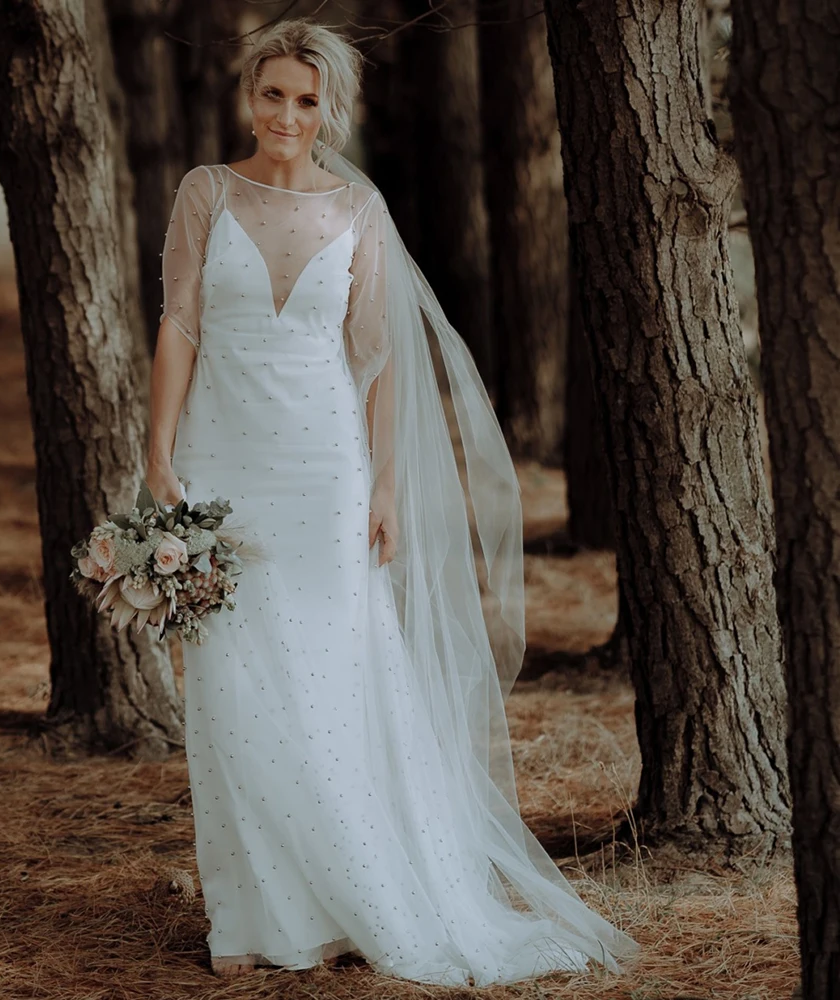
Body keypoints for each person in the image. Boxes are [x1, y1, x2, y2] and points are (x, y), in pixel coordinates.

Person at [145, 17, 638, 987]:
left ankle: (351, 893)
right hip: (221, 460)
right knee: (232, 687)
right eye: (273, 93)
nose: (286, 114)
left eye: (307, 99)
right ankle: (253, 916)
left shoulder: (358, 210)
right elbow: (178, 326)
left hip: (324, 467)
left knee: (333, 683)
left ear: (332, 110)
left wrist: (384, 484)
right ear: (249, 94)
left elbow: (374, 361)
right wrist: (157, 455)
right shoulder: (205, 194)